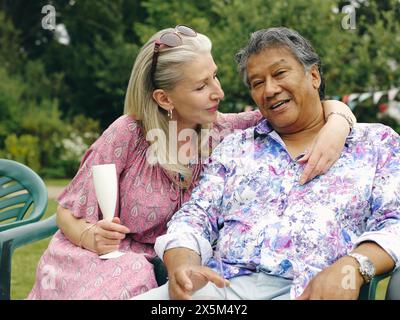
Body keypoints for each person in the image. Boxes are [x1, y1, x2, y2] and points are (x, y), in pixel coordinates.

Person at [28, 26, 356, 300]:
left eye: (214, 77)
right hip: (96, 258)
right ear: (164, 99)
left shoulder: (224, 130)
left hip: (166, 262)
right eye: (202, 86)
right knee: (131, 276)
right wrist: (89, 236)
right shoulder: (129, 132)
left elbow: (296, 105)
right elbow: (66, 211)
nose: (219, 92)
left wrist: (339, 121)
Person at [134, 27, 400, 300]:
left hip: (306, 289)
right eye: (257, 82)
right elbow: (196, 216)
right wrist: (183, 264)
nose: (270, 90)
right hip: (220, 288)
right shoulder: (235, 147)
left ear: (314, 75)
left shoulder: (376, 144)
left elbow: (395, 221)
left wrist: (353, 267)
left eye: (280, 73)